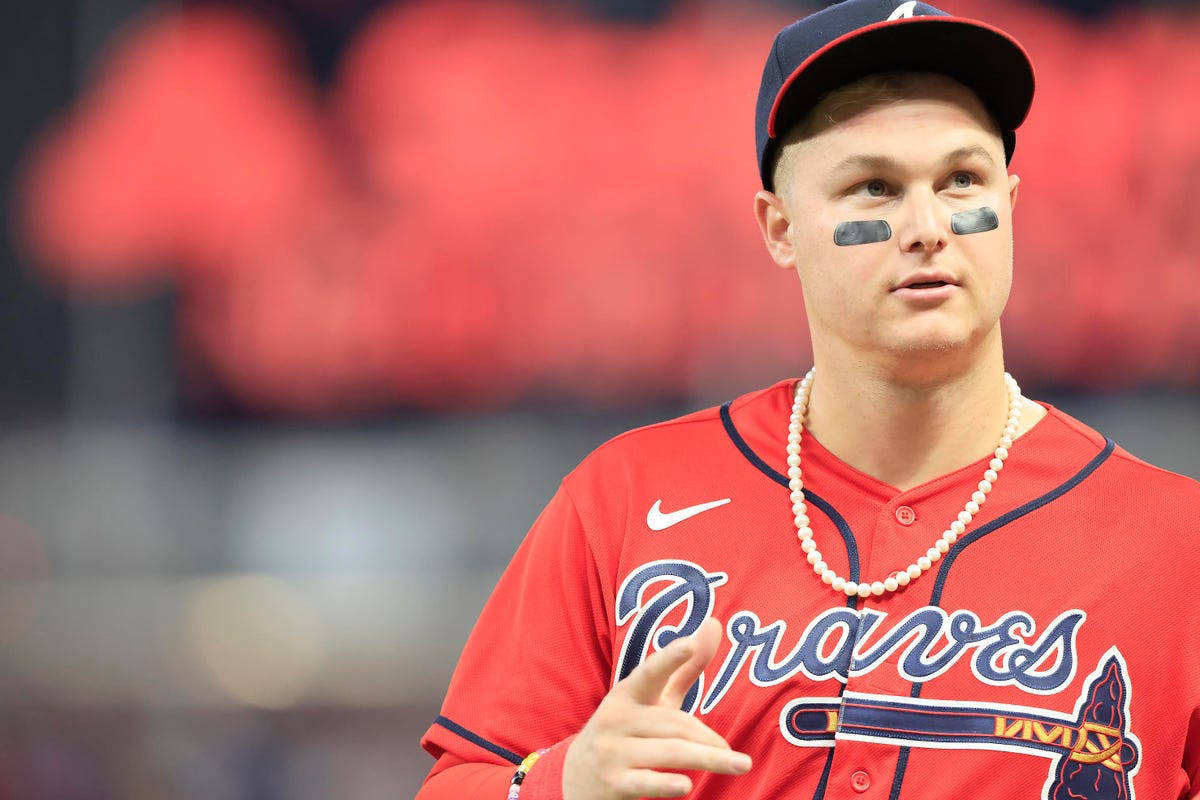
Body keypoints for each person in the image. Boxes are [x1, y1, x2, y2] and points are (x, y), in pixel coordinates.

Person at [416, 1, 1200, 798]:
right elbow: (461, 781)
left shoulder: (1176, 547)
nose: (927, 225)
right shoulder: (625, 501)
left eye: (963, 178)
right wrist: (560, 785)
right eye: (873, 188)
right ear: (780, 228)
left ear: (1012, 202)